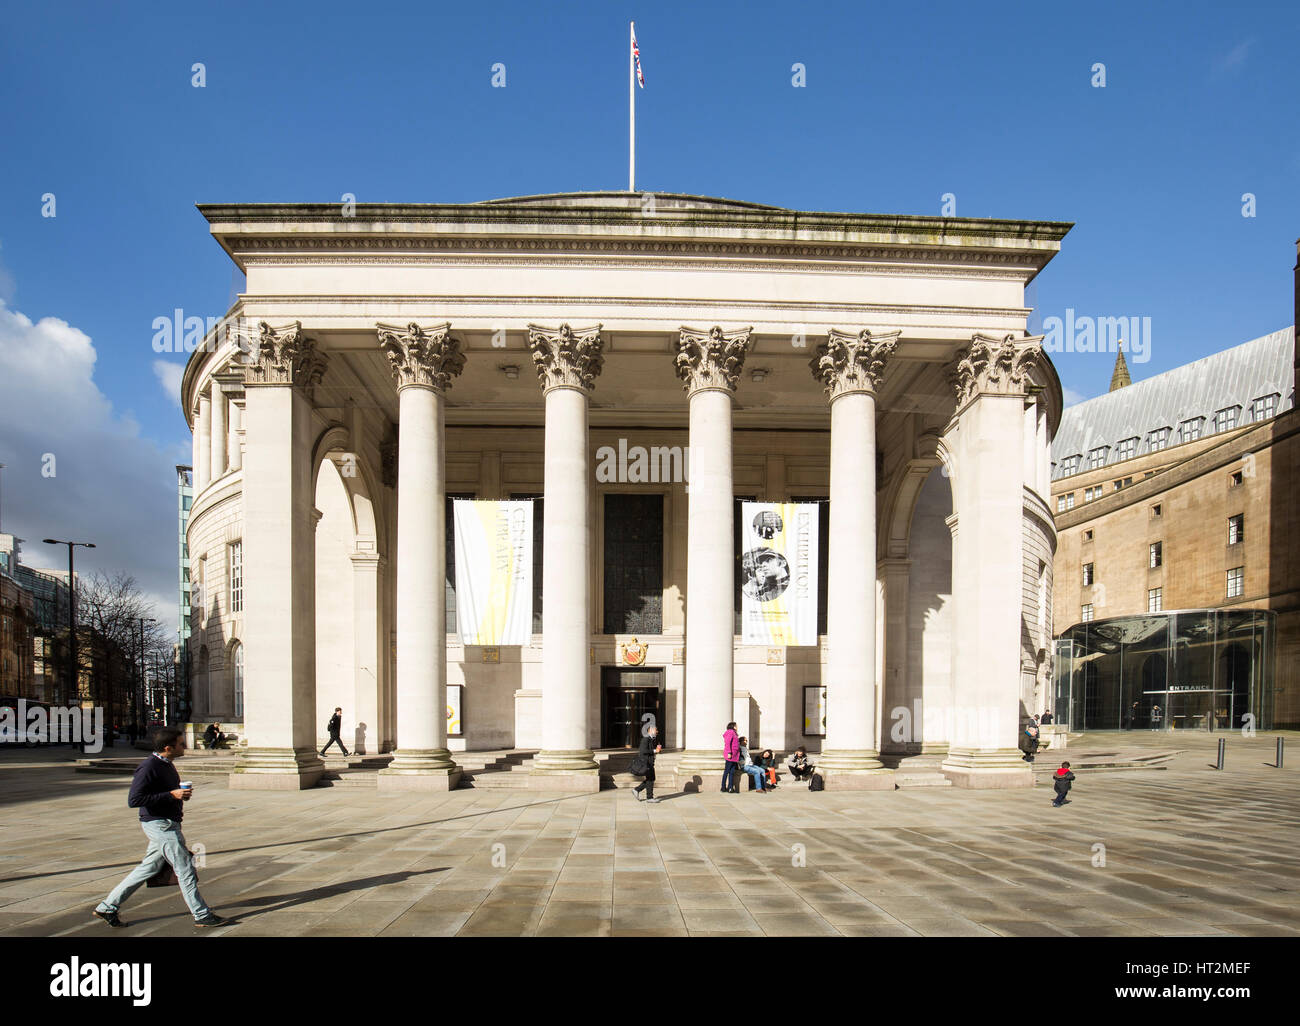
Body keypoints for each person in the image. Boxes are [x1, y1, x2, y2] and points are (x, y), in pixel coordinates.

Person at [93, 727, 230, 928]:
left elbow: (165, 792)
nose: (184, 746)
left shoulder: (166, 764)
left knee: (148, 868)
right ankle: (201, 915)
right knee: (185, 869)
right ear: (168, 747)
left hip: (167, 822)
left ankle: (107, 907)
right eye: (181, 744)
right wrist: (171, 795)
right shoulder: (149, 767)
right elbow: (134, 799)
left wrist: (177, 795)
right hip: (160, 824)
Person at [631, 725, 662, 803]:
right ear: (650, 731)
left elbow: (649, 751)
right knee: (651, 779)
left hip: (649, 763)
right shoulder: (645, 739)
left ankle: (638, 791)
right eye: (656, 730)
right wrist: (654, 751)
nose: (657, 732)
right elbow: (643, 751)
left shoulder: (651, 739)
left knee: (650, 779)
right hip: (646, 763)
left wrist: (657, 751)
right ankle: (648, 796)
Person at [721, 722, 740, 793]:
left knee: (732, 772)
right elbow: (728, 743)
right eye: (736, 726)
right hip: (730, 755)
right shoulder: (730, 732)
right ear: (733, 726)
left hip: (734, 756)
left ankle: (730, 787)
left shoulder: (734, 733)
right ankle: (723, 787)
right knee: (727, 771)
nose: (737, 727)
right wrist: (729, 752)